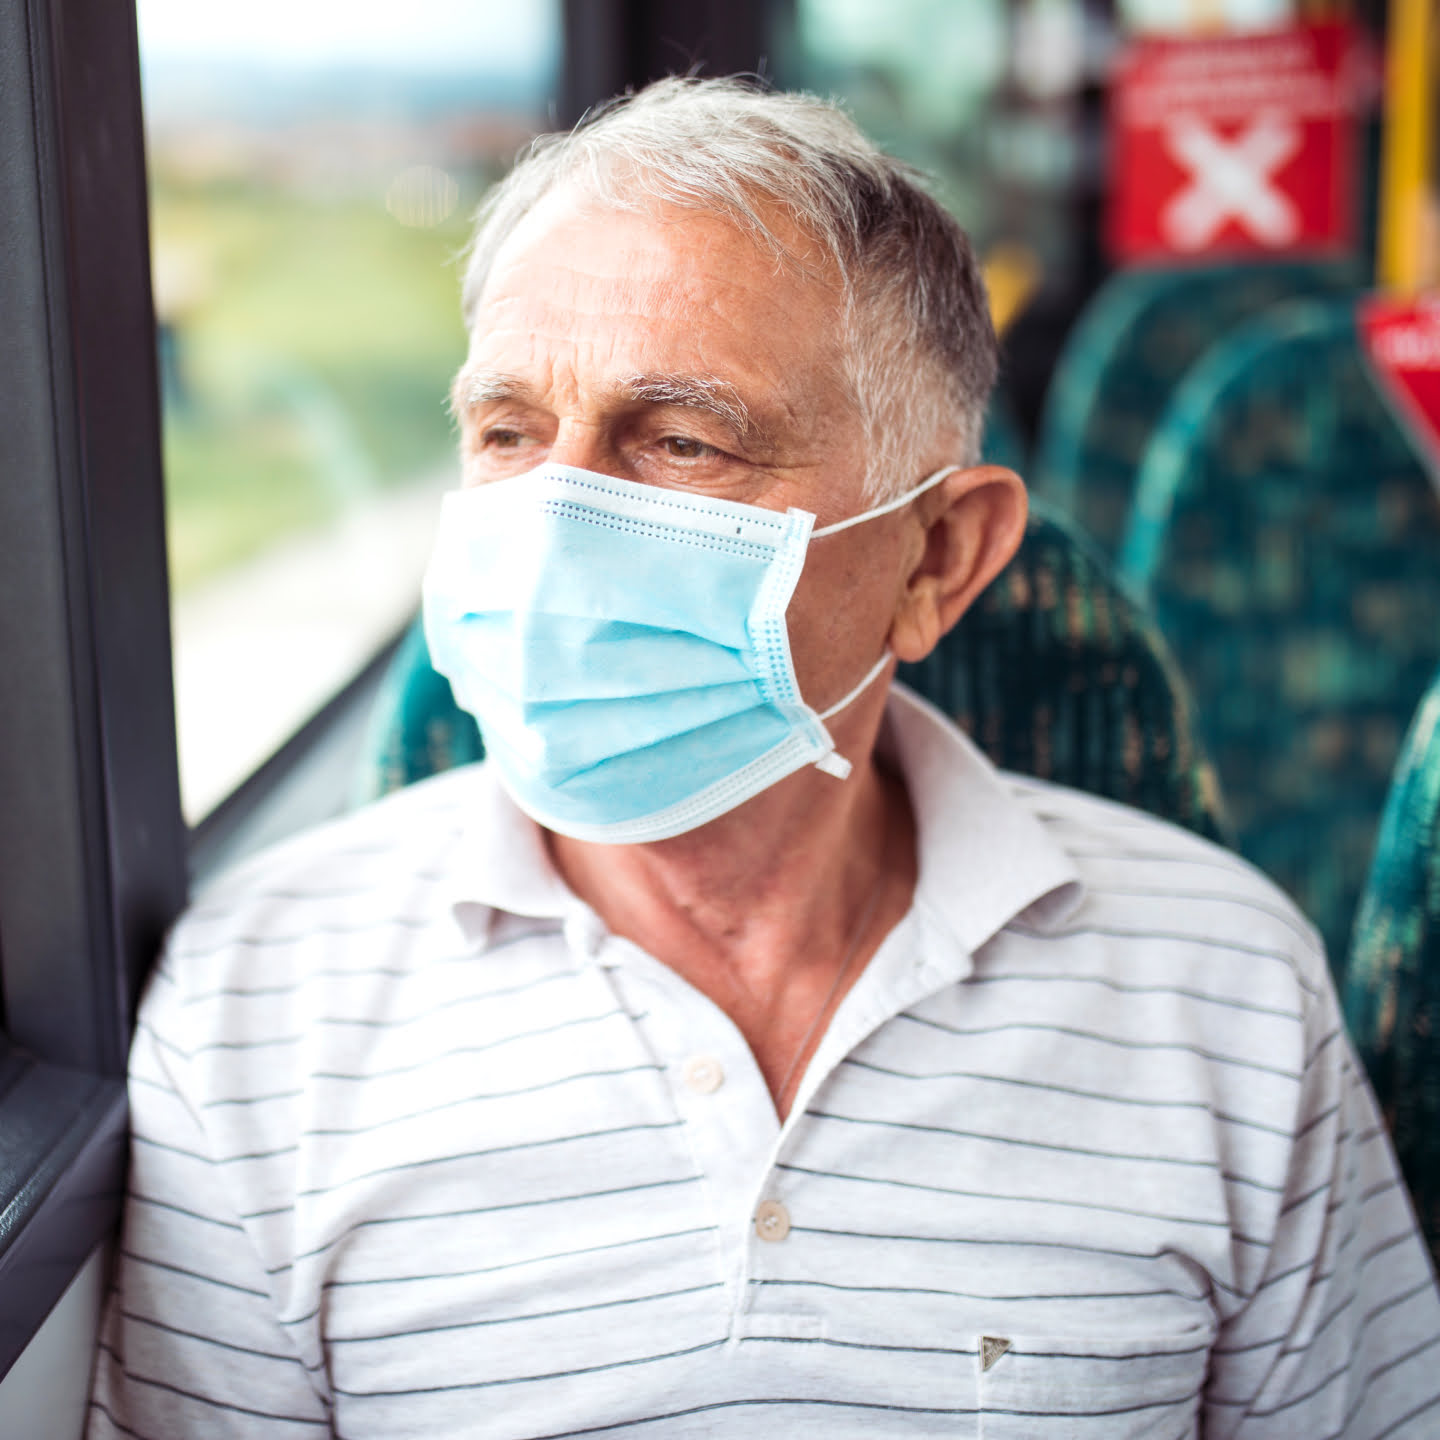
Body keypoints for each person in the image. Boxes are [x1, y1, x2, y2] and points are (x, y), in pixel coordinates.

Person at [88, 78, 1440, 1439]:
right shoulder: (256, 999)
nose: (555, 524)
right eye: (507, 434)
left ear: (939, 556)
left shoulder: (1231, 995)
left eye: (680, 441)